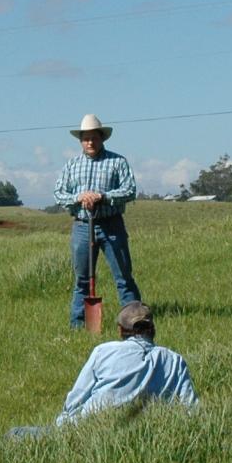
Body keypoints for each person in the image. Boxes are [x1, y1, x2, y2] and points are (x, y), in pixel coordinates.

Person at [52, 113, 141, 329]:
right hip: (82, 226)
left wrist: (103, 196)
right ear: (80, 140)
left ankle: (135, 323)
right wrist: (78, 197)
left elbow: (129, 190)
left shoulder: (117, 162)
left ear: (102, 138)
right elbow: (58, 194)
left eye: (94, 138)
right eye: (86, 138)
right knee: (82, 279)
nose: (90, 142)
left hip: (112, 225)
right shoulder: (71, 166)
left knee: (123, 276)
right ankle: (78, 325)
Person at [56, 302, 197, 425]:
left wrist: (64, 424)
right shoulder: (174, 361)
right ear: (153, 330)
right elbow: (191, 408)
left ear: (120, 329)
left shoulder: (103, 352)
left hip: (89, 426)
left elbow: (75, 401)